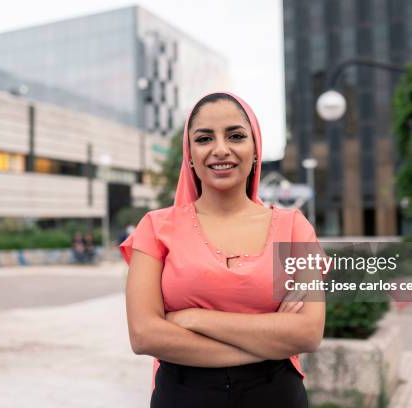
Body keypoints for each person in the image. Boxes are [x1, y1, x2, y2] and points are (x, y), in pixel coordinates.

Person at [120, 92, 327, 407]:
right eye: (204, 138)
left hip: (275, 396)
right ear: (189, 154)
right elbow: (144, 335)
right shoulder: (155, 228)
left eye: (236, 136)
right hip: (183, 395)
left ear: (255, 149)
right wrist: (268, 343)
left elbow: (308, 332)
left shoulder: (294, 227)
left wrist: (194, 319)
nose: (220, 149)